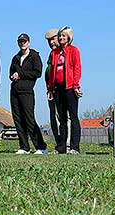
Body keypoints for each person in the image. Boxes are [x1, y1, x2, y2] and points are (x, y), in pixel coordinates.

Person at [9, 33, 48, 154]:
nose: (22, 44)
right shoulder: (15, 57)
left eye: (24, 41)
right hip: (15, 91)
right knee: (18, 119)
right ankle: (24, 147)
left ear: (29, 43)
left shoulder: (34, 56)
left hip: (27, 92)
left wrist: (20, 74)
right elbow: (11, 73)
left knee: (29, 119)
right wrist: (13, 76)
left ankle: (41, 147)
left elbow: (37, 73)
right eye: (20, 42)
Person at [47, 26, 83, 154]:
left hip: (70, 87)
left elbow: (77, 68)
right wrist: (50, 89)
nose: (61, 38)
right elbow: (52, 73)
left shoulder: (74, 50)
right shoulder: (54, 53)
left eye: (63, 36)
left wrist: (75, 85)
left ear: (69, 37)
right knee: (61, 119)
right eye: (60, 36)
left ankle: (74, 147)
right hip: (58, 88)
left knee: (73, 117)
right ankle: (61, 146)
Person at [44, 29, 60, 146]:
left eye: (53, 39)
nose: (51, 42)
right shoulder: (52, 54)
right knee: (54, 117)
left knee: (64, 117)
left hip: (62, 90)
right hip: (51, 90)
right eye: (49, 40)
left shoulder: (64, 52)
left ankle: (67, 144)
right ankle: (59, 144)